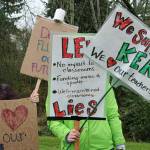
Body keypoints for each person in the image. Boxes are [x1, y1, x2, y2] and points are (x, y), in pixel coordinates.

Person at [45, 79, 126, 150]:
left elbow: (112, 116)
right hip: (73, 146)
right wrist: (66, 134)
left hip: (103, 146)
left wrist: (119, 143)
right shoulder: (57, 85)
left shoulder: (104, 83)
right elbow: (53, 120)